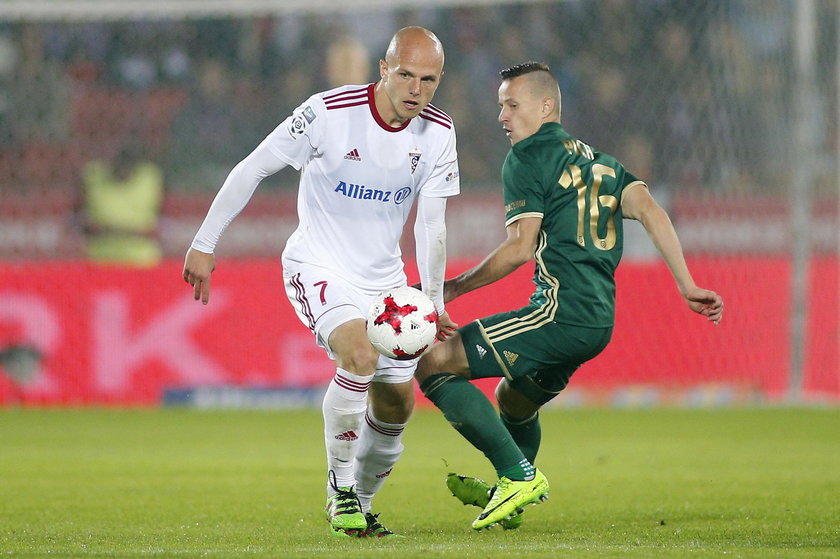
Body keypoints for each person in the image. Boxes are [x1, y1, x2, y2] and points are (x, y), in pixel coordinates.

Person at [414, 62, 724, 531]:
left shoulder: (526, 157)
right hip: (597, 322)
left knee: (434, 361)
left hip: (559, 314)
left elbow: (520, 248)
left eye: (512, 105)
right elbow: (651, 210)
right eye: (501, 106)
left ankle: (516, 475)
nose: (503, 116)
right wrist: (686, 285)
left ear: (545, 107)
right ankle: (512, 494)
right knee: (514, 401)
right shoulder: (601, 162)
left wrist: (451, 287)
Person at [182, 27, 459, 538]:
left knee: (397, 403)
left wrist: (434, 298)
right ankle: (341, 490)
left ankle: (364, 502)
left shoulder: (439, 133)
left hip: (387, 284)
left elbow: (430, 222)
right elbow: (253, 168)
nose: (416, 89)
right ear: (383, 68)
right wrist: (204, 241)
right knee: (358, 354)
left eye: (428, 80)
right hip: (318, 264)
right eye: (406, 75)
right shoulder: (328, 113)